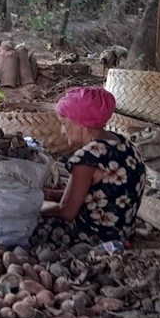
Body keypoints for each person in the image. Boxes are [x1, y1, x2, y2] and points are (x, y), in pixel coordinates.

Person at [32, 86, 146, 246]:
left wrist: (35, 210)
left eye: (64, 123)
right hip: (123, 232)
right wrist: (48, 194)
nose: (62, 131)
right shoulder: (124, 144)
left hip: (95, 236)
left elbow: (67, 212)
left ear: (81, 123)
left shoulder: (88, 157)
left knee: (27, 222)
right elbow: (99, 192)